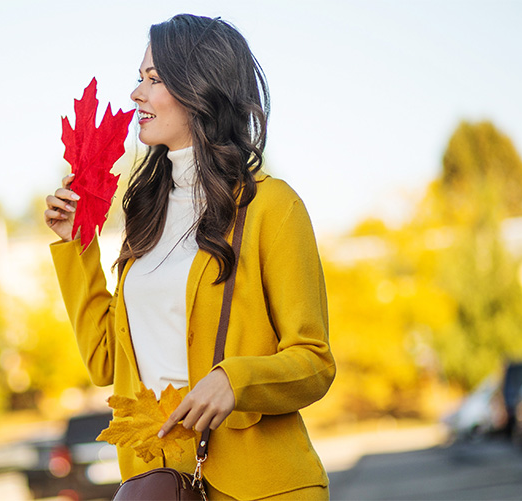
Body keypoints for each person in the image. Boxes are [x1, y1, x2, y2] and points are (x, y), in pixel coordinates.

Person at [44, 14, 335, 500]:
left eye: (154, 80)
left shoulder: (271, 207)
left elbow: (314, 360)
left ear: (199, 87)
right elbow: (105, 362)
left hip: (264, 485)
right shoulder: (146, 215)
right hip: (161, 483)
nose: (136, 93)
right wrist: (75, 246)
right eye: (140, 79)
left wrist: (234, 381)